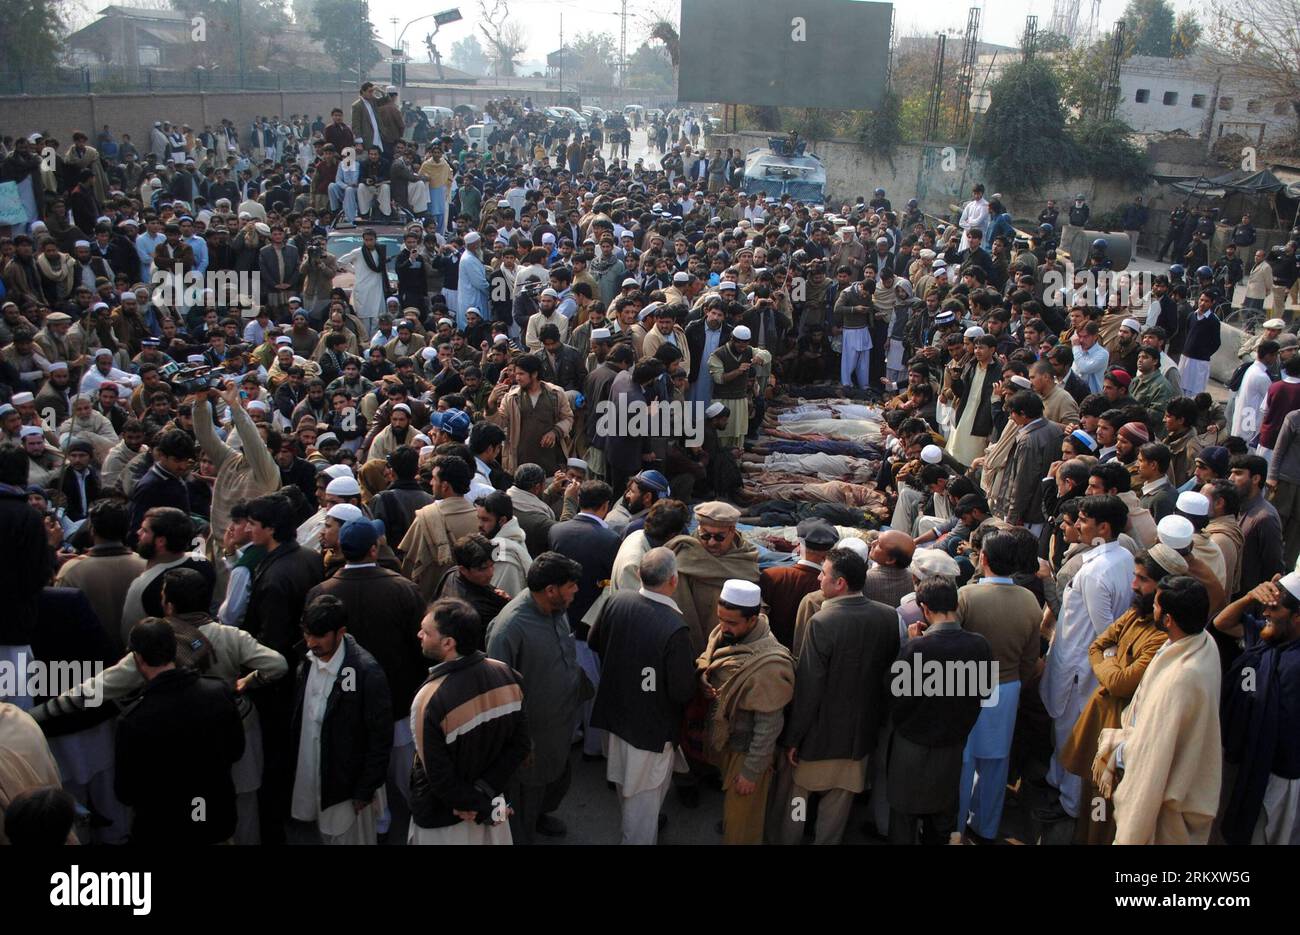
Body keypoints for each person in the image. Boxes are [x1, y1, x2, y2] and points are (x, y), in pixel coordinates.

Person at [305, 516, 426, 835]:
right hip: (398, 697)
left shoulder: (322, 591)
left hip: (342, 698)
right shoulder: (403, 588)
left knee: (356, 759)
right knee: (403, 767)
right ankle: (420, 816)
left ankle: (379, 820)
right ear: (374, 549)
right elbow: (421, 648)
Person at [1058, 547, 1182, 844]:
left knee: (1105, 810)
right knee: (1092, 798)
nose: (1134, 585)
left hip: (1122, 732)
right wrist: (1111, 661)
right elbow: (1096, 646)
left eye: (1143, 579)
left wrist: (1109, 661)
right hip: (1102, 722)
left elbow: (1121, 684)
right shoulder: (1135, 613)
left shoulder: (1161, 636)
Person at [777, 547, 898, 845]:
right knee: (837, 809)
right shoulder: (887, 617)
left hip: (819, 735)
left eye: (824, 573)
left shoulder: (822, 622)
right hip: (860, 737)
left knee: (798, 800)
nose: (819, 578)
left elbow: (809, 687)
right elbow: (887, 678)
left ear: (840, 583)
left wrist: (793, 737)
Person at [1095, 576, 1222, 844]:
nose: (1151, 607)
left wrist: (1115, 750)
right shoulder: (1202, 643)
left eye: (1155, 604)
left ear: (1167, 620)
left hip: (1166, 800)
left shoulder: (1181, 679)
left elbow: (1152, 757)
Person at [588, 548, 696, 844]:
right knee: (644, 799)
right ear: (673, 580)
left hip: (615, 714)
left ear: (639, 574)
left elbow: (593, 641)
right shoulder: (675, 627)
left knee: (625, 786)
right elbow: (682, 690)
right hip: (650, 729)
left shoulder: (615, 601)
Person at [1039, 494, 1135, 824]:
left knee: (1072, 734)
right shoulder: (1120, 556)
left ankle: (1069, 803)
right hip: (1077, 660)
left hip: (1079, 667)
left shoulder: (1097, 573)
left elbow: (1104, 630)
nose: (1077, 525)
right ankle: (1057, 781)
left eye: (1083, 520)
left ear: (1103, 527)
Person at [407, 598, 529, 845]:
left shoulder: (429, 699)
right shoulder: (507, 675)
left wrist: (476, 806)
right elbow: (520, 746)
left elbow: (438, 776)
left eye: (427, 632)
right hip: (492, 809)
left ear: (448, 643)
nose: (419, 634)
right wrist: (487, 800)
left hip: (444, 822)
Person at [113, 619, 246, 844]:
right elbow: (236, 750)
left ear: (138, 658)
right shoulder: (217, 693)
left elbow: (126, 792)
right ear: (175, 651)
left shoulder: (133, 719)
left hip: (163, 830)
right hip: (214, 822)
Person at [486, 552, 588, 843]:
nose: (576, 590)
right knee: (526, 795)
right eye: (571, 585)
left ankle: (541, 816)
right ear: (551, 590)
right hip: (532, 736)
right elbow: (501, 695)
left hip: (560, 725)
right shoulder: (509, 629)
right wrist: (521, 742)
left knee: (556, 781)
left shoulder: (557, 608)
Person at [888, 578, 993, 844]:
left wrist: (911, 645)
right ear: (956, 604)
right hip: (953, 743)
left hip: (911, 743)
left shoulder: (917, 648)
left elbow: (897, 698)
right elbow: (985, 693)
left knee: (904, 814)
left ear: (924, 608)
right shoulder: (980, 644)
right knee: (943, 814)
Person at [954, 532, 1042, 844]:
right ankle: (987, 826)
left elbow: (953, 644)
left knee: (963, 760)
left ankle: (956, 827)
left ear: (984, 559)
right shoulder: (1029, 600)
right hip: (1008, 687)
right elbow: (1031, 656)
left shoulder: (966, 596)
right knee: (995, 760)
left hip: (966, 685)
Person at [289, 592, 393, 845]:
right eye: (307, 634)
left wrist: (365, 789)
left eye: (319, 636)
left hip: (347, 787)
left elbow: (380, 737)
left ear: (340, 632)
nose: (311, 642)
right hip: (314, 775)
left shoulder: (367, 672)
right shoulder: (307, 662)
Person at [697, 579, 795, 845]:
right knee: (735, 813)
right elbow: (713, 662)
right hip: (729, 742)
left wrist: (751, 773)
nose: (723, 627)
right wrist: (707, 680)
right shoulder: (725, 633)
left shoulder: (769, 665)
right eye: (721, 619)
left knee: (743, 827)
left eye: (731, 623)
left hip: (748, 752)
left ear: (753, 620)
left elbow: (769, 726)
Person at [1214, 572, 1300, 844]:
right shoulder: (1269, 638)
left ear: (1297, 617)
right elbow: (1221, 623)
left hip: (1281, 777)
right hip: (1247, 761)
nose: (1265, 612)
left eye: (1274, 608)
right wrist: (1250, 596)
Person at [547, 480, 619, 760]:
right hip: (591, 624)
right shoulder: (610, 539)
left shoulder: (557, 530)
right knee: (592, 687)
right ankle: (592, 745)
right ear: (605, 506)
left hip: (559, 619)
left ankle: (570, 734)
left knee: (565, 684)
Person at [398, 455, 480, 600]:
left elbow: (410, 565)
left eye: (434, 478)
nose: (430, 482)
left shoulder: (427, 517)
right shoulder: (481, 520)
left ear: (445, 486)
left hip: (432, 602)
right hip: (471, 602)